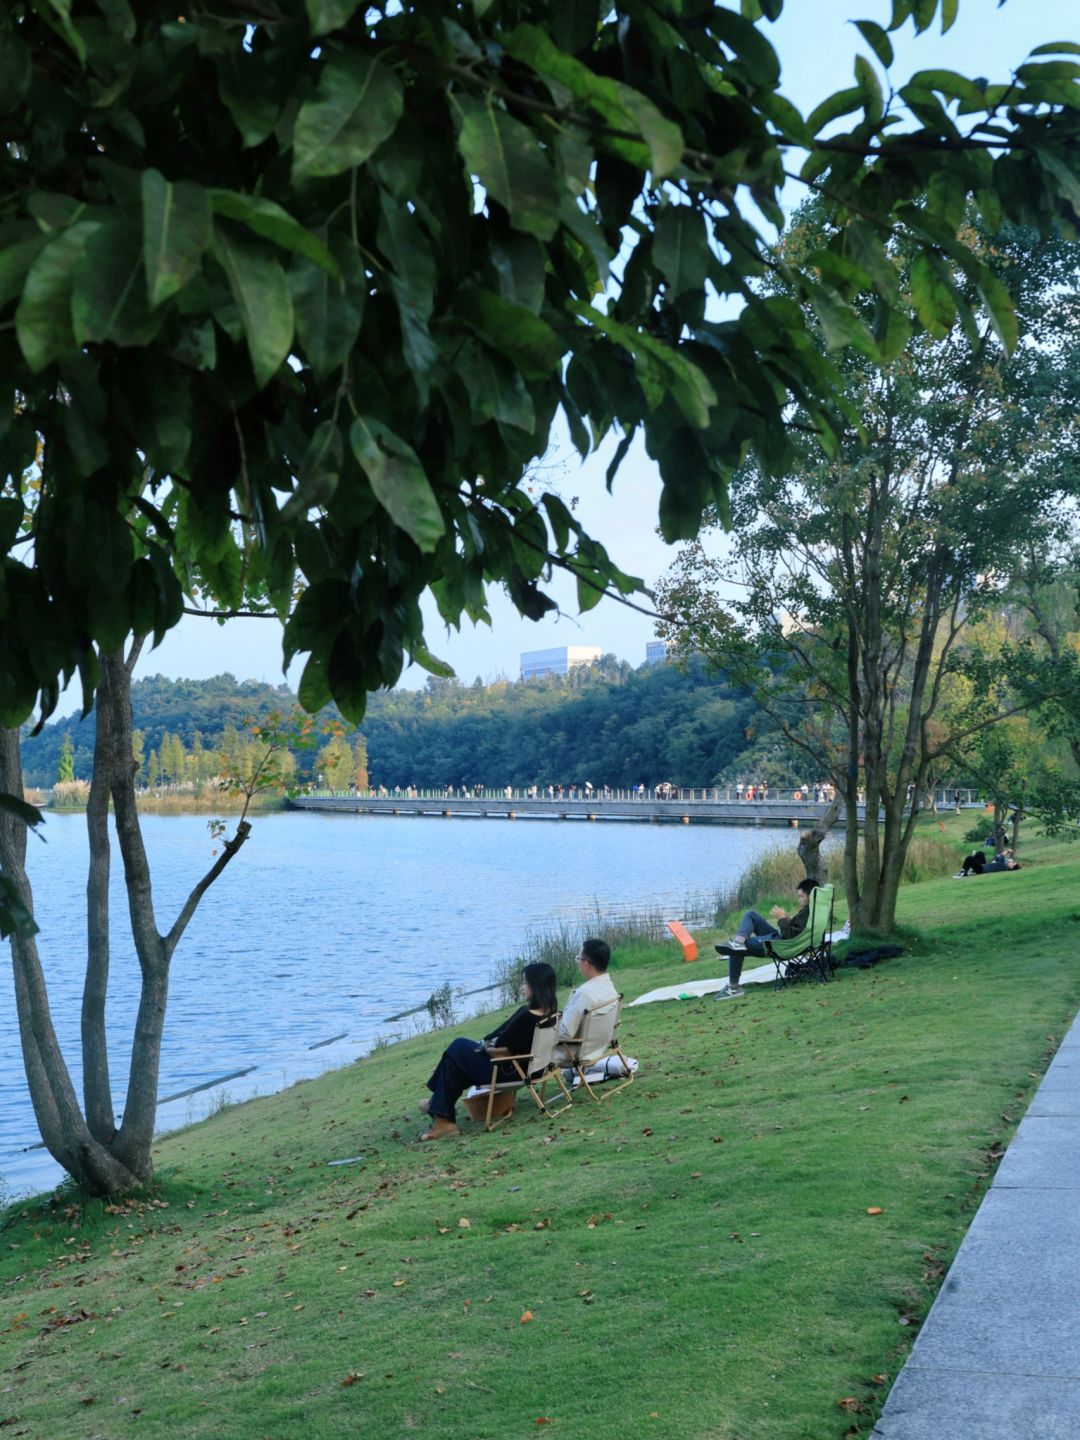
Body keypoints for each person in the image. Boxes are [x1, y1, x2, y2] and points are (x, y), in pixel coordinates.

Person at [418, 962, 558, 1141]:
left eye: (525, 983)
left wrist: (487, 1047)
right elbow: (501, 1036)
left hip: (508, 1071)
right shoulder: (549, 1013)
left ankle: (439, 1111)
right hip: (529, 1068)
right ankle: (441, 1116)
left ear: (536, 986)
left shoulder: (527, 1017)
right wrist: (488, 1043)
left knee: (457, 1046)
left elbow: (501, 1050)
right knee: (453, 1064)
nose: (521, 987)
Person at [713, 878, 821, 999]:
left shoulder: (809, 912)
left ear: (810, 896)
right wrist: (787, 919)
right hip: (783, 941)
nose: (799, 900)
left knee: (734, 948)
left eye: (801, 897)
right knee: (751, 914)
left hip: (781, 946)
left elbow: (789, 937)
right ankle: (738, 942)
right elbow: (797, 932)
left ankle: (734, 987)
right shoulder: (815, 909)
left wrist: (781, 919)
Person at [554, 938, 618, 1068]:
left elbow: (565, 1033)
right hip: (597, 1047)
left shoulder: (584, 994)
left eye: (578, 958)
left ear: (586, 963)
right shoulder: (609, 987)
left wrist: (546, 1032)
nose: (577, 962)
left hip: (571, 1052)